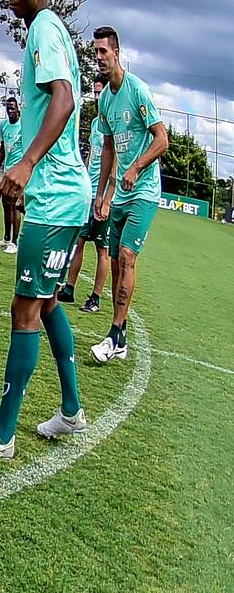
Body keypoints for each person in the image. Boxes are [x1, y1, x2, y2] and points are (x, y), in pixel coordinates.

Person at [0, 0, 94, 458]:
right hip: (60, 193)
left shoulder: (45, 29)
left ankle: (3, 435)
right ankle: (73, 412)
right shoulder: (45, 31)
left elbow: (63, 99)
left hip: (56, 195)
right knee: (49, 300)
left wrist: (27, 162)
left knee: (25, 306)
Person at [88, 25, 167, 365]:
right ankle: (120, 340)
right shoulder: (104, 99)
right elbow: (107, 147)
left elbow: (162, 140)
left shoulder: (138, 91)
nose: (99, 58)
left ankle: (114, 333)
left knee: (126, 255)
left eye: (104, 52)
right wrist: (102, 192)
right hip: (118, 194)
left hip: (145, 191)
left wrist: (135, 168)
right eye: (96, 53)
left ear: (117, 53)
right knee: (118, 265)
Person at [61, 97, 108, 310]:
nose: (98, 99)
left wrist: (107, 198)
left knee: (102, 249)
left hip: (105, 196)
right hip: (89, 194)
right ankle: (69, 288)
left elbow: (114, 161)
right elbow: (91, 156)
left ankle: (95, 298)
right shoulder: (94, 124)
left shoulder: (114, 126)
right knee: (78, 240)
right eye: (96, 94)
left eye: (101, 93)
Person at [0, 93, 24, 251]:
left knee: (16, 207)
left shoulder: (24, 126)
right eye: (7, 108)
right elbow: (2, 151)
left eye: (12, 108)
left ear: (18, 109)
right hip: (6, 172)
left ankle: (14, 242)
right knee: (5, 205)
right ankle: (6, 238)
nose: (10, 111)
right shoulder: (4, 125)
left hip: (18, 174)